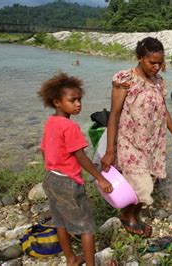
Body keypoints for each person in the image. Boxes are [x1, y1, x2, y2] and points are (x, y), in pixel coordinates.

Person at [101, 37, 172, 237]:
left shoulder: (158, 82)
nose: (156, 67)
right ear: (140, 58)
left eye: (160, 63)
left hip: (154, 143)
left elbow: (164, 111)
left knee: (148, 182)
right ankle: (126, 215)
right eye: (152, 62)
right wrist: (110, 150)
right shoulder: (125, 80)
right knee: (142, 186)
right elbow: (114, 114)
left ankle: (133, 215)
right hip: (130, 141)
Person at [38, 72, 113, 266]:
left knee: (60, 221)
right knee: (87, 226)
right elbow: (81, 157)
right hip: (68, 182)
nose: (78, 104)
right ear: (57, 102)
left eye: (79, 99)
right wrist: (100, 178)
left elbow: (44, 150)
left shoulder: (50, 122)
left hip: (50, 178)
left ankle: (70, 258)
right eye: (72, 100)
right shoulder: (70, 127)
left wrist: (53, 167)